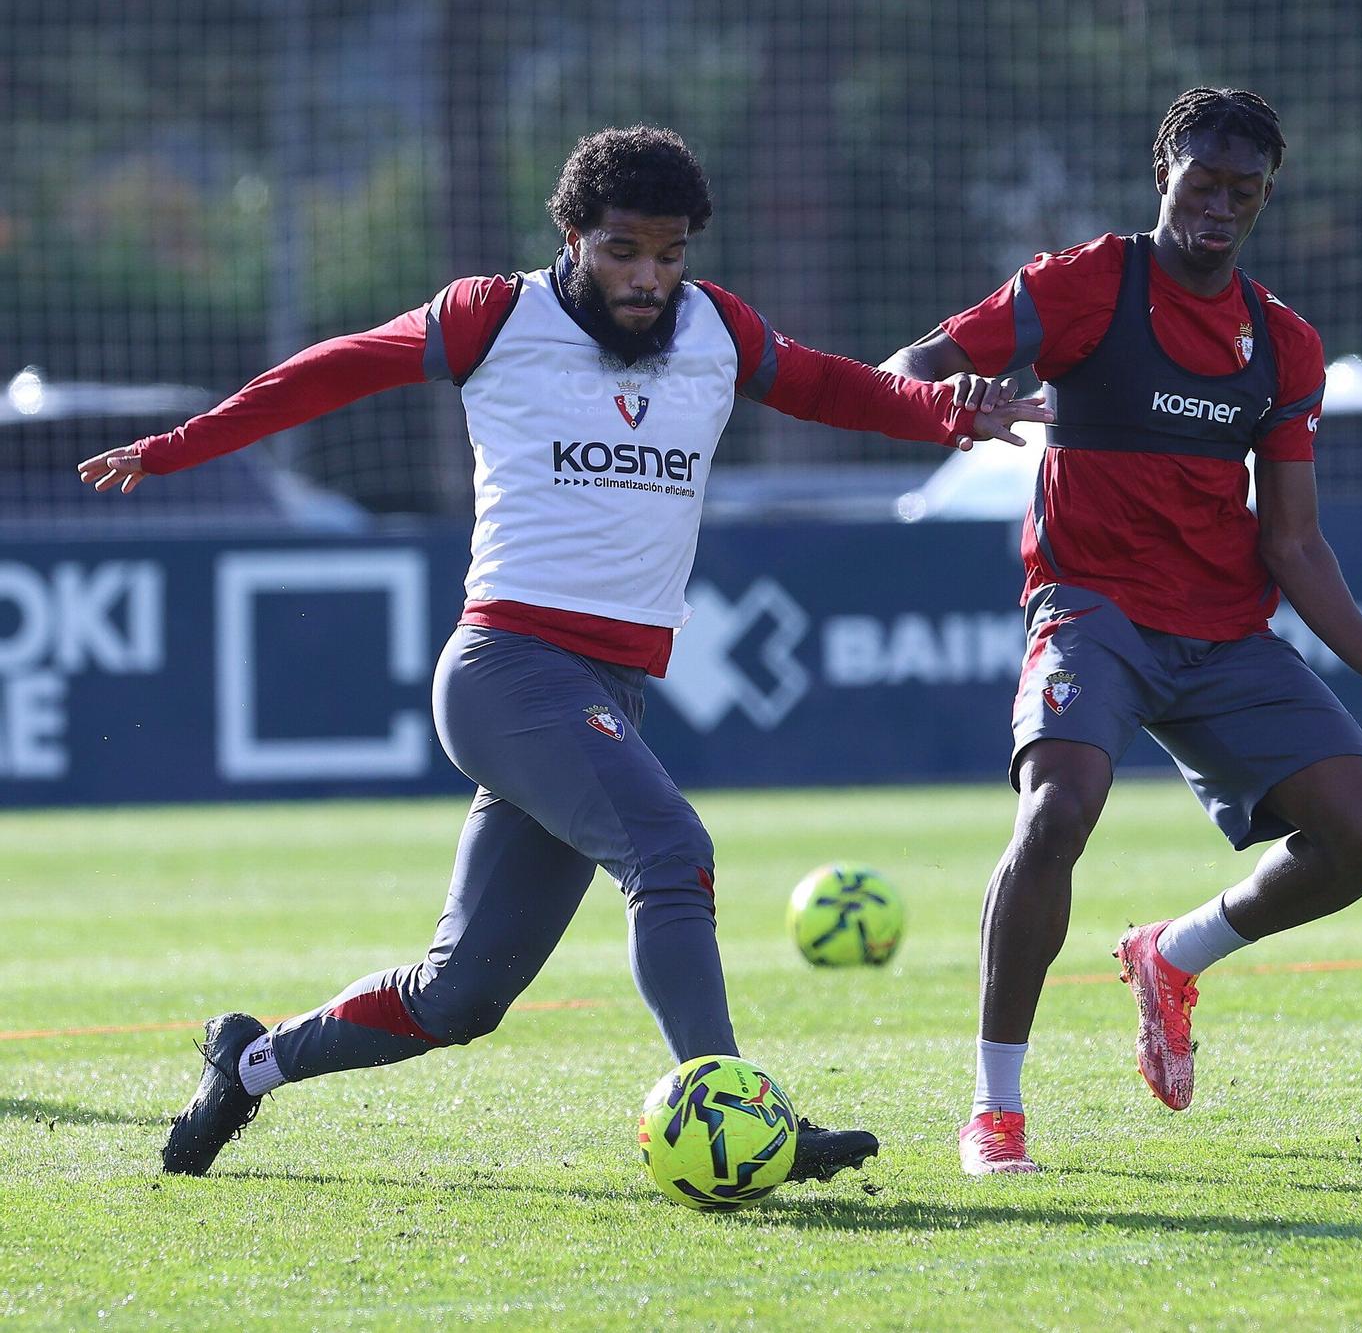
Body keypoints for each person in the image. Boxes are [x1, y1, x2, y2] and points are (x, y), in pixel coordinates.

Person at [78, 126, 1049, 1180]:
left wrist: (948, 412)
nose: (649, 278)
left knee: (461, 996)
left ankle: (248, 1062)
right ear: (574, 236)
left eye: (669, 254)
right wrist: (176, 446)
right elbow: (330, 373)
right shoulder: (493, 316)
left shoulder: (718, 328)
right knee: (670, 851)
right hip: (506, 668)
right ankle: (736, 1114)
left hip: (607, 692)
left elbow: (835, 388)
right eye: (624, 252)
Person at [881, 88, 1362, 1175]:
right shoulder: (1083, 284)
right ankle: (994, 1108)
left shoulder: (1283, 346)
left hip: (1221, 634)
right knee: (1055, 810)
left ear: (1263, 198)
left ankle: (1174, 953)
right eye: (1203, 181)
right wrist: (950, 402)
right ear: (1164, 173)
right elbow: (907, 368)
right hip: (1091, 606)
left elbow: (1292, 543)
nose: (1220, 205)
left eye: (1243, 191)